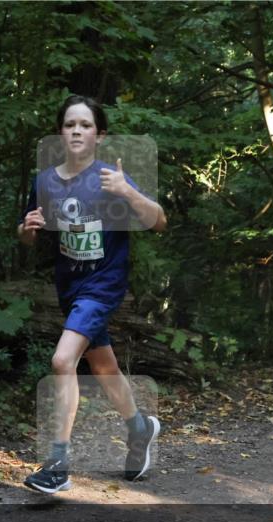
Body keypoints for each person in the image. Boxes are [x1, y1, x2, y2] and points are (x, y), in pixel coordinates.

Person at [16, 94, 168, 494]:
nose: (76, 131)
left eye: (85, 125)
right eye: (70, 125)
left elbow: (159, 222)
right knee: (103, 367)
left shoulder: (110, 178)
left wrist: (128, 192)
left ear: (99, 135)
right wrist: (27, 231)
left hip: (104, 285)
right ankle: (140, 429)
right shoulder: (45, 180)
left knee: (63, 359)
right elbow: (31, 233)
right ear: (61, 133)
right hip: (70, 285)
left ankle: (57, 464)